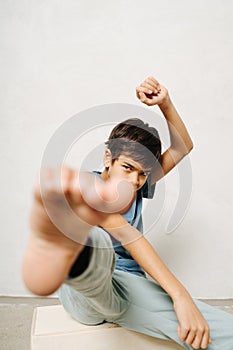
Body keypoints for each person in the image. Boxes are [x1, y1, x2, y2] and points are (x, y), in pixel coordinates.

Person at [22, 77, 233, 350]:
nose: (135, 181)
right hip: (87, 294)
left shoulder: (137, 186)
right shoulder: (88, 189)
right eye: (128, 168)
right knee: (98, 248)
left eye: (143, 174)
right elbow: (128, 234)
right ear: (108, 158)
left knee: (215, 327)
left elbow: (182, 147)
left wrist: (165, 103)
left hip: (129, 290)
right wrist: (179, 294)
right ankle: (67, 252)